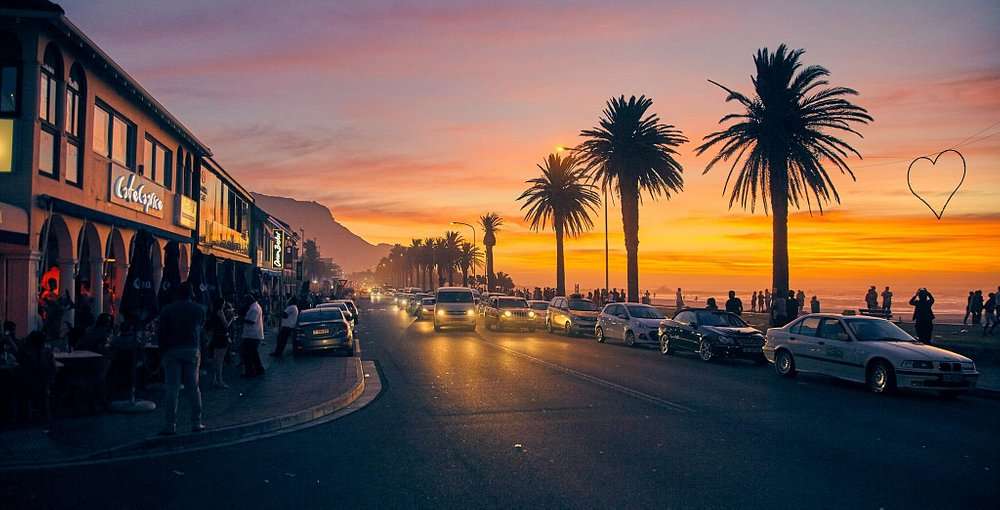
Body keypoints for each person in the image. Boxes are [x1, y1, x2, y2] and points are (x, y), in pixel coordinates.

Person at [157, 283, 206, 435]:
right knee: (193, 388)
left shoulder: (167, 310)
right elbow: (201, 328)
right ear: (191, 294)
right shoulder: (199, 309)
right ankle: (196, 422)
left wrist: (162, 351)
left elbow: (161, 333)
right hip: (191, 348)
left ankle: (170, 425)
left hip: (172, 350)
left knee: (172, 389)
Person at [16, 331, 56, 423]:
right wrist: (50, 381)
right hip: (44, 384)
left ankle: (24, 416)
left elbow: (18, 357)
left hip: (28, 384)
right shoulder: (48, 352)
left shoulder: (25, 353)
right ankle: (46, 417)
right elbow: (53, 368)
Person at [207, 298, 232, 388]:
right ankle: (219, 380)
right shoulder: (220, 312)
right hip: (222, 337)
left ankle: (214, 379)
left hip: (216, 337)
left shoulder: (212, 313)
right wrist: (231, 319)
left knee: (215, 359)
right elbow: (226, 325)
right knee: (220, 361)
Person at [240, 293, 266, 378]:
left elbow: (251, 321)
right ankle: (259, 369)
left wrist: (242, 319)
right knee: (254, 354)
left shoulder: (254, 308)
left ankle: (250, 372)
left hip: (252, 335)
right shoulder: (254, 307)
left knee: (248, 354)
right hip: (253, 334)